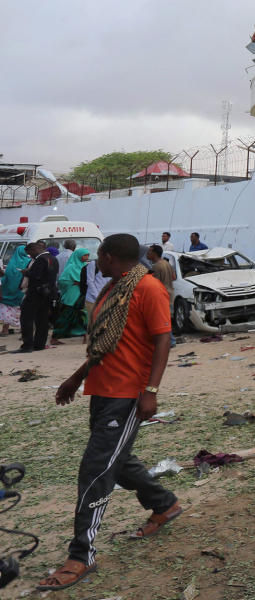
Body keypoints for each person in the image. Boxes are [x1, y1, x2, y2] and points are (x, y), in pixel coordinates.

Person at [38, 234, 181, 591]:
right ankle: (165, 504)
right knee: (117, 459)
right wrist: (75, 379)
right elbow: (104, 344)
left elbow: (163, 338)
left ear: (108, 256)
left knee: (96, 468)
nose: (94, 263)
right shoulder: (112, 289)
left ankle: (80, 555)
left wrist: (151, 391)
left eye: (97, 257)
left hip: (128, 395)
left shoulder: (148, 289)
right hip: (102, 389)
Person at [17, 242, 59, 353]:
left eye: (29, 253)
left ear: (34, 249)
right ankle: (39, 344)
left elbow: (36, 275)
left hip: (36, 293)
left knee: (26, 318)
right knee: (42, 320)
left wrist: (26, 272)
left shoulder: (40, 259)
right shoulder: (53, 258)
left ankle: (27, 345)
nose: (30, 256)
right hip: (48, 292)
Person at [52, 248, 91, 339]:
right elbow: (62, 281)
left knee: (82, 316)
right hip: (72, 295)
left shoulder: (86, 266)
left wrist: (81, 283)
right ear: (78, 255)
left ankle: (80, 334)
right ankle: (56, 336)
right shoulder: (71, 266)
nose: (87, 257)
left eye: (88, 255)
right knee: (66, 315)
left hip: (82, 294)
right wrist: (72, 283)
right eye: (85, 255)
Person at [146, 245, 176, 347]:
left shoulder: (156, 267)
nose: (147, 254)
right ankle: (171, 340)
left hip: (162, 296)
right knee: (167, 319)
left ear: (154, 253)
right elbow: (174, 277)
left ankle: (171, 341)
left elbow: (154, 283)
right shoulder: (166, 263)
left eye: (149, 252)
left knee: (162, 320)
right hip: (170, 293)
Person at [0, 245, 30, 335]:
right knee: (24, 310)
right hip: (22, 291)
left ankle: (5, 330)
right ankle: (24, 329)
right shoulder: (29, 262)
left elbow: (5, 277)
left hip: (8, 291)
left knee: (8, 310)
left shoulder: (12, 263)